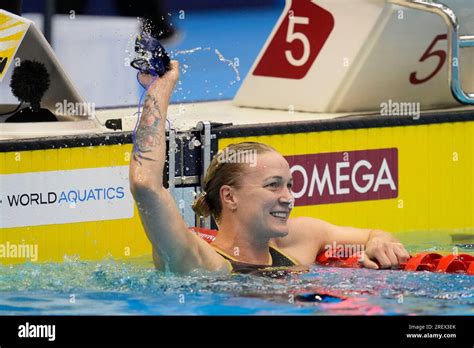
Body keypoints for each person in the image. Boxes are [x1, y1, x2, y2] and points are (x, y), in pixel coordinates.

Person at [130, 61, 411, 274]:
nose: (288, 198)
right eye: (273, 185)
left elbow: (374, 234)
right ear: (230, 197)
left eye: (289, 185)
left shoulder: (300, 239)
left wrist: (380, 243)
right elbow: (145, 184)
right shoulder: (197, 261)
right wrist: (159, 89)